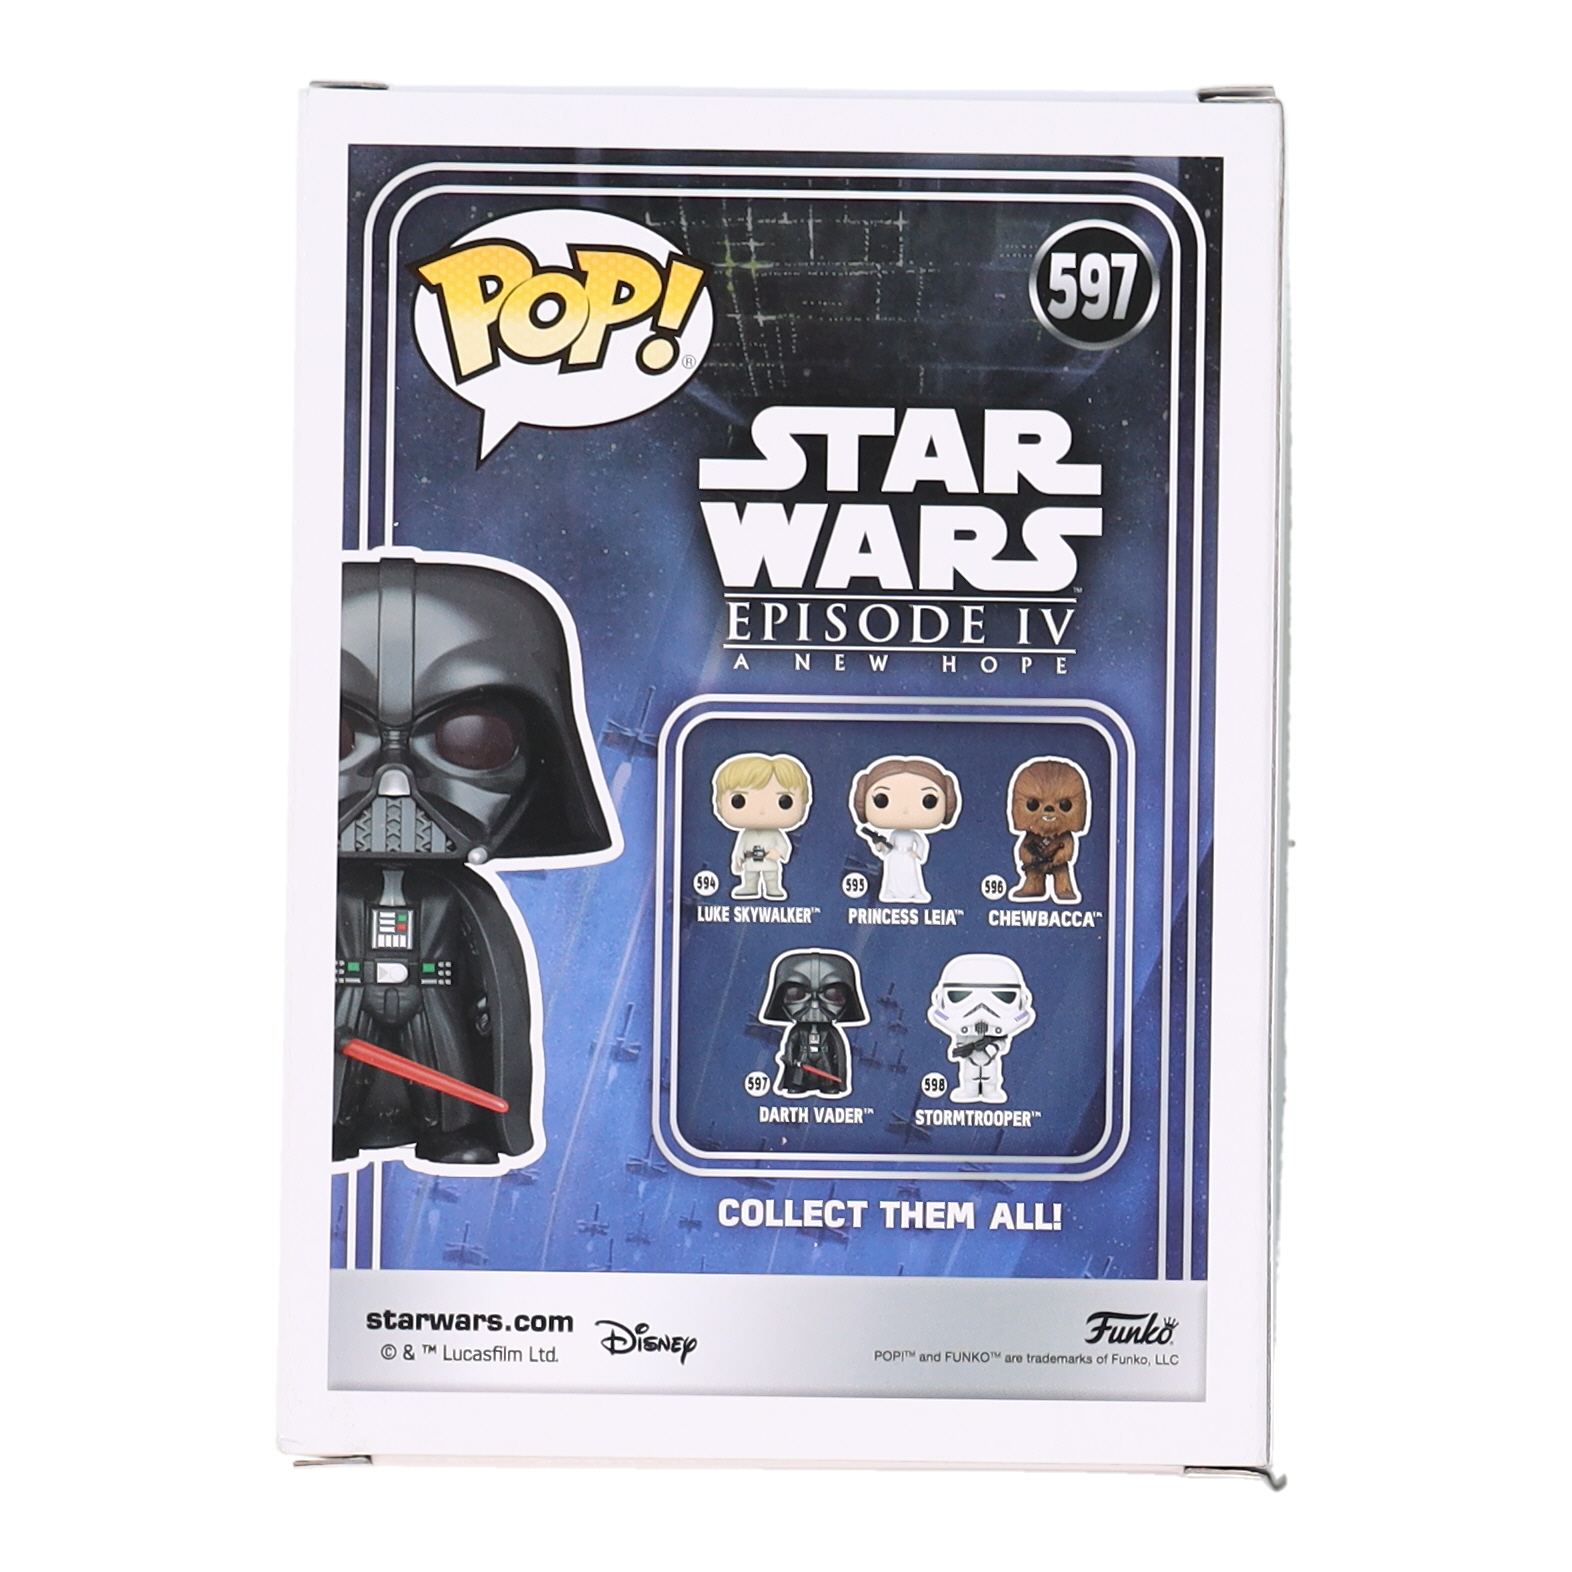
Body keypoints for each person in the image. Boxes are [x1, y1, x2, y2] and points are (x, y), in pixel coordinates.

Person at [849, 755, 961, 904]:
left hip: (908, 856)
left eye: (929, 801)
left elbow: (921, 844)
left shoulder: (913, 835)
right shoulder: (894, 834)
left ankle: (915, 892)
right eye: (881, 800)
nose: (905, 810)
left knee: (910, 876)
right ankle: (891, 891)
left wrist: (917, 853)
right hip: (895, 856)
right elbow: (887, 848)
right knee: (894, 876)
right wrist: (880, 847)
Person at [712, 753, 811, 899]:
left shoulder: (775, 834)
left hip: (769, 861)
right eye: (739, 800)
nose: (762, 810)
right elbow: (740, 848)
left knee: (771, 877)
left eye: (784, 801)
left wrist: (778, 853)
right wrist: (738, 859)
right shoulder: (746, 834)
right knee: (750, 877)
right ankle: (749, 888)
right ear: (719, 803)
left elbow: (783, 845)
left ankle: (773, 888)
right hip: (751, 862)